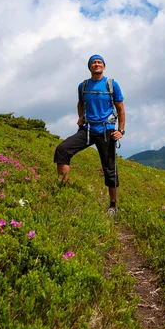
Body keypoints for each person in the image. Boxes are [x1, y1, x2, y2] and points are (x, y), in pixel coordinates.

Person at [54, 55, 125, 217]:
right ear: (90, 67)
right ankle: (61, 190)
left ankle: (113, 206)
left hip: (106, 131)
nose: (96, 64)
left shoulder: (112, 84)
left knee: (109, 168)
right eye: (93, 62)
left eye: (99, 62)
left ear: (104, 67)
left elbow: (120, 109)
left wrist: (120, 130)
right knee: (62, 150)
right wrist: (81, 117)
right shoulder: (83, 86)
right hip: (86, 130)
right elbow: (80, 103)